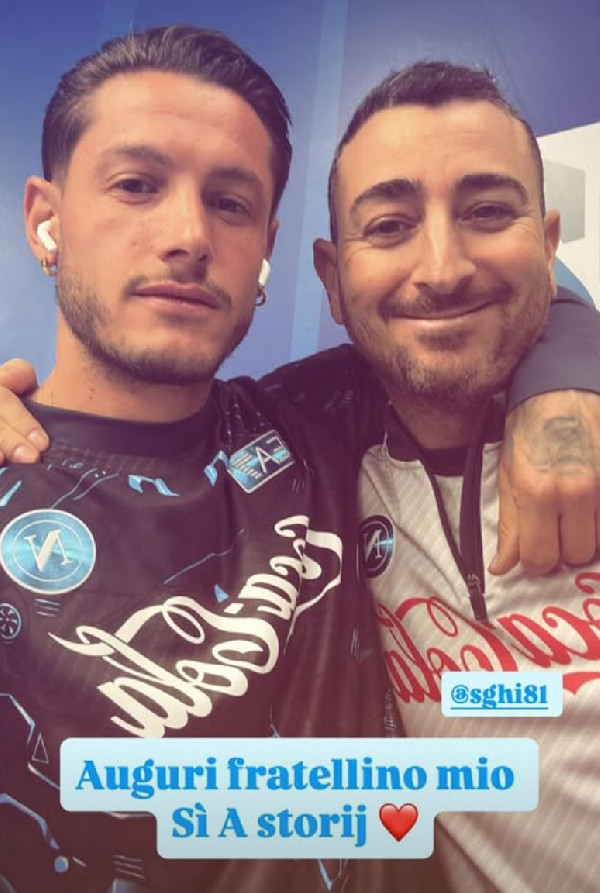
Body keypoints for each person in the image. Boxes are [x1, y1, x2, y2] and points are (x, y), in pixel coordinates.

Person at [1, 26, 600, 893]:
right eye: (136, 185)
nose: (188, 234)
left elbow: (502, 303)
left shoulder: (316, 420)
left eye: (230, 202)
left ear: (270, 250)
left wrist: (566, 381)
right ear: (44, 219)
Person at [309, 59, 600, 891]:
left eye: (488, 211)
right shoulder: (304, 459)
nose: (442, 267)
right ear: (332, 278)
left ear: (549, 243)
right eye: (389, 225)